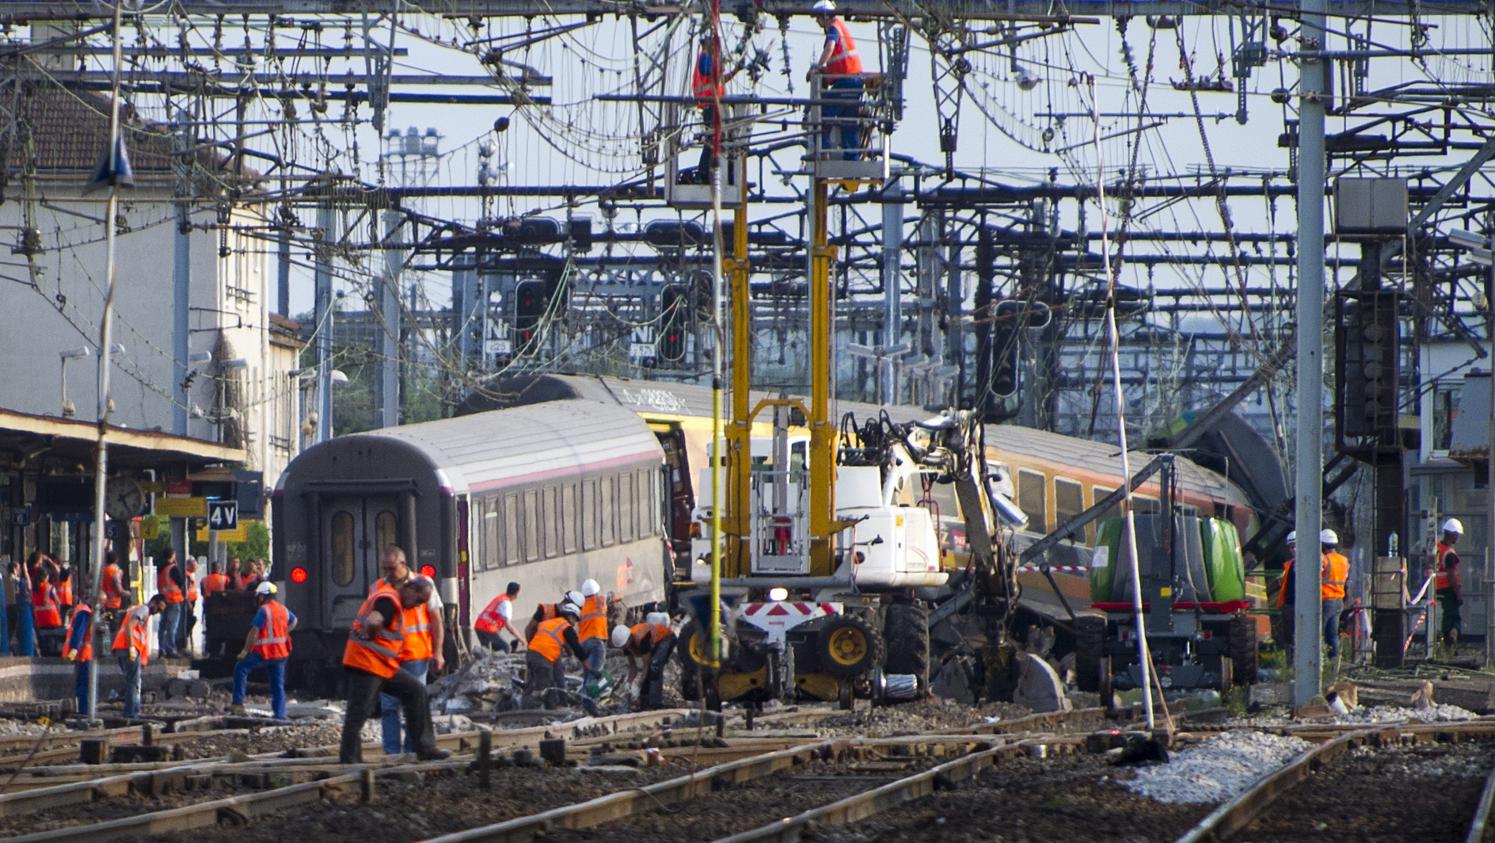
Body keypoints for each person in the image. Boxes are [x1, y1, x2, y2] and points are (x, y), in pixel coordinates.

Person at [339, 578, 449, 764]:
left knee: (416, 690)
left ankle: (425, 748)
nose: (417, 606)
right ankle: (349, 760)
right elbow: (374, 620)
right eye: (418, 600)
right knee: (359, 712)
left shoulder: (395, 601)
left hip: (383, 665)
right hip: (367, 663)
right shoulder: (389, 601)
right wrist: (371, 632)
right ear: (410, 589)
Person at [374, 547, 445, 756]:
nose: (387, 573)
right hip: (389, 656)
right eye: (384, 568)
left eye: (391, 568)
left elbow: (436, 620)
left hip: (415, 655)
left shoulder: (424, 584)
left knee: (414, 706)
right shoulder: (379, 587)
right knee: (388, 707)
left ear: (403, 565)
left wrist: (438, 652)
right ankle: (392, 754)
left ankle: (414, 751)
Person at [807, 0, 864, 161]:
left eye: (818, 18)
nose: (818, 23)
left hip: (847, 82)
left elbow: (830, 47)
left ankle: (823, 150)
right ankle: (852, 160)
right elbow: (838, 61)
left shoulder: (834, 28)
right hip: (854, 80)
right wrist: (825, 69)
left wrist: (818, 67)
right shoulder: (840, 27)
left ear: (825, 16)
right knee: (848, 122)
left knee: (823, 113)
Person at [232, 582, 296, 720]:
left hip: (265, 652)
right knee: (277, 684)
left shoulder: (264, 610)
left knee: (240, 668)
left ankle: (238, 704)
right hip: (281, 654)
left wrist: (245, 651)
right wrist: (284, 632)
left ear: (262, 596)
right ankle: (279, 715)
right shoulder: (283, 609)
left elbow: (254, 631)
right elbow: (294, 620)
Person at [690, 31, 740, 183]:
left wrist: (734, 71)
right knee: (712, 138)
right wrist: (719, 66)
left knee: (717, 138)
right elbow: (708, 71)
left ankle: (712, 170)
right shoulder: (704, 56)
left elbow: (719, 80)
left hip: (714, 105)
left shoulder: (708, 58)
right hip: (709, 105)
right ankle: (703, 172)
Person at [112, 595, 165, 720]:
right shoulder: (144, 610)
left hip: (122, 649)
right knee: (134, 682)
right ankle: (131, 714)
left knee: (132, 681)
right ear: (153, 602)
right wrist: (131, 648)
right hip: (128, 649)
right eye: (158, 607)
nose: (158, 611)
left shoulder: (139, 611)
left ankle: (130, 711)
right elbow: (130, 626)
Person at [526, 601, 587, 707]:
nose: (575, 623)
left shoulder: (550, 623)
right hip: (543, 657)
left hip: (532, 653)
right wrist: (589, 665)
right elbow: (577, 648)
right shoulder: (566, 627)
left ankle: (524, 707)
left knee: (532, 684)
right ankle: (550, 713)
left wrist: (570, 653)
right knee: (548, 687)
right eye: (575, 619)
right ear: (570, 616)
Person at [611, 612, 676, 710]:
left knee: (654, 666)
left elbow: (646, 665)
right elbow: (633, 668)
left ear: (629, 638)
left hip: (667, 638)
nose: (624, 648)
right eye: (622, 647)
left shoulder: (641, 639)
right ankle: (644, 704)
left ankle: (655, 703)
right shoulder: (626, 645)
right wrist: (628, 683)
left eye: (624, 645)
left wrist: (638, 685)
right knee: (650, 669)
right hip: (654, 643)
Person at [576, 579, 610, 696]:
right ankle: (587, 700)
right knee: (595, 674)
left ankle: (583, 698)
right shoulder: (600, 601)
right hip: (596, 643)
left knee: (587, 674)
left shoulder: (580, 607)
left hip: (583, 645)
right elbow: (612, 596)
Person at [1319, 528, 1349, 659]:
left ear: (1323, 545)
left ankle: (1317, 662)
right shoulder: (1344, 560)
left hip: (1326, 600)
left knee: (1317, 633)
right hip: (1339, 601)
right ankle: (1334, 662)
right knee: (1332, 635)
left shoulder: (1324, 559)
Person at [1435, 517, 1465, 647]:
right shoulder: (1449, 554)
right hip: (1448, 589)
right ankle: (1449, 640)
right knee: (1453, 616)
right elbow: (1451, 575)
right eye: (1457, 535)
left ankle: (1446, 639)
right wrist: (1458, 593)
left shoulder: (1436, 547)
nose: (1457, 538)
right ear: (1452, 535)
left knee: (1447, 614)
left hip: (1436, 587)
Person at [62, 598, 94, 716]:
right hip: (83, 654)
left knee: (82, 684)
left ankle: (82, 710)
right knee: (84, 685)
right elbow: (79, 631)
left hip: (83, 654)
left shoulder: (81, 610)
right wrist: (74, 648)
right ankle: (83, 711)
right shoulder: (85, 613)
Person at [474, 581, 523, 652]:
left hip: (479, 626)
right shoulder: (506, 603)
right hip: (487, 628)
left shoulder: (502, 597)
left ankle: (488, 662)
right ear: (516, 593)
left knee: (487, 651)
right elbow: (509, 626)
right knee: (506, 648)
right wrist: (521, 639)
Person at [156, 549, 186, 659]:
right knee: (172, 626)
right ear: (172, 556)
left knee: (162, 626)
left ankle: (162, 649)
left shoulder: (160, 568)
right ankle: (171, 649)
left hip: (163, 601)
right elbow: (181, 583)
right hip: (173, 600)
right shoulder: (172, 568)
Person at [31, 570, 63, 656]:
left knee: (43, 638)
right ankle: (51, 656)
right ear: (45, 577)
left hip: (40, 618)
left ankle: (44, 654)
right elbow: (57, 602)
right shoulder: (49, 587)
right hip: (52, 617)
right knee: (52, 638)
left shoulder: (34, 588)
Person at [1273, 530, 1296, 651]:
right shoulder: (1290, 564)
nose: (1293, 549)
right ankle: (1291, 664)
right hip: (1289, 604)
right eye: (1291, 547)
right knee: (1289, 636)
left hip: (1300, 605)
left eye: (1295, 546)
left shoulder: (1310, 562)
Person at [180, 559, 200, 655]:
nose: (196, 568)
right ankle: (183, 639)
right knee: (190, 620)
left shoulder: (190, 575)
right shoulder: (186, 576)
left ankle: (185, 638)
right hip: (188, 603)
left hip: (191, 602)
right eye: (194, 565)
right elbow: (185, 591)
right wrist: (188, 603)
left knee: (190, 620)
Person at [100, 552, 126, 617]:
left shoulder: (103, 570)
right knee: (114, 625)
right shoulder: (115, 572)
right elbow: (119, 590)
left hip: (104, 602)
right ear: (116, 560)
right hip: (114, 604)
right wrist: (129, 594)